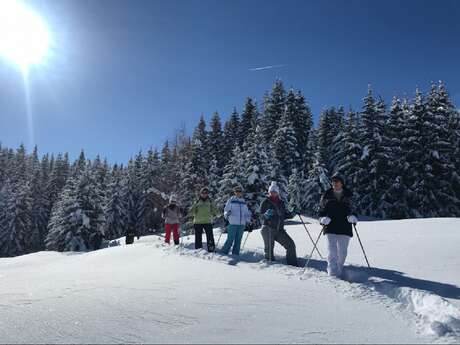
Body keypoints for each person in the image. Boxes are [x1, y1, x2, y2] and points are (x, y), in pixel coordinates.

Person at [319, 173, 358, 277]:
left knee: (342, 252)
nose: (334, 183)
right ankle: (332, 273)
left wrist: (353, 217)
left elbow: (354, 209)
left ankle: (339, 270)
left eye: (337, 181)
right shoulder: (326, 195)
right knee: (332, 251)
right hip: (330, 226)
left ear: (342, 183)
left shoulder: (349, 195)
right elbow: (321, 211)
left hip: (345, 227)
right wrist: (322, 219)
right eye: (333, 181)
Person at [259, 182, 298, 266]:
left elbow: (284, 215)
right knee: (269, 251)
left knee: (290, 245)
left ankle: (293, 265)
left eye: (275, 192)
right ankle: (271, 269)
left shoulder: (281, 203)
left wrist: (293, 213)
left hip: (279, 230)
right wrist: (265, 215)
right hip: (268, 229)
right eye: (272, 192)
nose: (273, 193)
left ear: (278, 193)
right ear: (269, 192)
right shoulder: (265, 202)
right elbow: (260, 216)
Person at [221, 185, 252, 255]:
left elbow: (246, 213)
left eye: (239, 191)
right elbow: (226, 210)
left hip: (241, 224)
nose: (238, 193)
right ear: (234, 192)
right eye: (236, 191)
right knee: (230, 239)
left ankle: (235, 254)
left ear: (241, 192)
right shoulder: (231, 200)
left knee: (238, 240)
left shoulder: (243, 201)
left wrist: (249, 221)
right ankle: (224, 253)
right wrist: (226, 215)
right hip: (233, 223)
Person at [189, 187, 220, 252]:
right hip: (198, 222)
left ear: (207, 194)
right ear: (200, 193)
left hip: (207, 221)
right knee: (198, 237)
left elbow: (214, 209)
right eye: (203, 193)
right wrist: (190, 211)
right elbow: (192, 211)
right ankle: (198, 249)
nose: (204, 194)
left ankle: (211, 249)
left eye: (206, 193)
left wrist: (218, 214)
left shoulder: (210, 201)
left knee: (210, 236)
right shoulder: (197, 201)